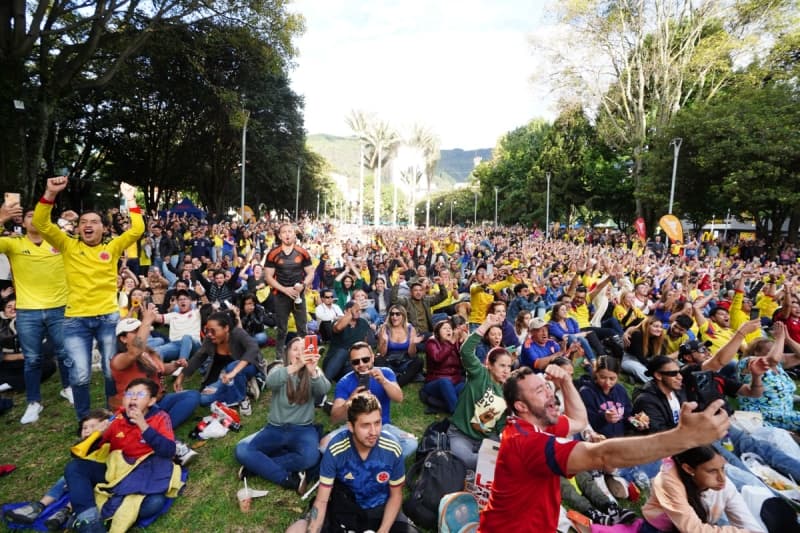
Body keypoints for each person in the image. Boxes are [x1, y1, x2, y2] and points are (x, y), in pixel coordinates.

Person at [478, 364, 731, 532]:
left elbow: (579, 421)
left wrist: (566, 381)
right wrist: (684, 438)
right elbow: (602, 455)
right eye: (538, 391)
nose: (549, 394)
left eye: (547, 386)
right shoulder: (525, 442)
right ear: (521, 406)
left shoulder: (536, 425)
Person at [33, 176, 144, 421]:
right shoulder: (67, 245)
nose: (88, 225)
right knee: (80, 375)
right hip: (75, 320)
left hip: (107, 317)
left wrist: (131, 200)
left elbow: (137, 229)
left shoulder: (112, 247)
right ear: (78, 227)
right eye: (84, 222)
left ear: (104, 228)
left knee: (108, 371)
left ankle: (112, 415)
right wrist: (50, 193)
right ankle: (85, 419)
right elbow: (41, 223)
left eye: (94, 221)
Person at [64, 378, 181, 533]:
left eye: (139, 394)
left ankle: (91, 516)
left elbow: (168, 451)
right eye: (129, 394)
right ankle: (90, 520)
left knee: (154, 503)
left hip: (144, 473)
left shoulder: (160, 417)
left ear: (151, 401)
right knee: (75, 468)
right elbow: (82, 454)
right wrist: (98, 434)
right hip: (116, 472)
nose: (132, 397)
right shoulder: (116, 420)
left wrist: (143, 425)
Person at [287, 393, 417, 533]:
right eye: (365, 425)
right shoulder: (336, 450)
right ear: (350, 426)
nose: (373, 432)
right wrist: (313, 529)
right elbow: (322, 500)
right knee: (296, 530)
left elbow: (396, 496)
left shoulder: (392, 449)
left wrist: (383, 530)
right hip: (345, 508)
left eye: (377, 423)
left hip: (381, 509)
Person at [0, 204, 71, 424]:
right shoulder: (14, 243)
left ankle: (67, 388)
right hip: (28, 312)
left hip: (59, 308)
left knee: (64, 354)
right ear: (22, 222)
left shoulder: (59, 241)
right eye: (30, 215)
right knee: (32, 359)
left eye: (40, 216)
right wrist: (2, 217)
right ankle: (34, 402)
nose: (35, 218)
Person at [235, 337, 330, 492]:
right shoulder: (279, 369)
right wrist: (297, 365)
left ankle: (257, 467)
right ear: (287, 353)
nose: (299, 353)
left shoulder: (313, 371)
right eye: (295, 349)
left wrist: (313, 372)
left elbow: (323, 389)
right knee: (242, 449)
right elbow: (271, 381)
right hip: (275, 428)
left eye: (303, 349)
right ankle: (287, 479)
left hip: (303, 429)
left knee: (310, 457)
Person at [4, 409, 113, 529]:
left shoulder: (108, 440)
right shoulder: (84, 446)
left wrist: (103, 431)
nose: (87, 430)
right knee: (72, 476)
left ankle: (62, 510)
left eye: (92, 426)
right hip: (85, 477)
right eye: (84, 427)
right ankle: (43, 506)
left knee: (80, 478)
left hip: (107, 476)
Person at [111, 308, 200, 433]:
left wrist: (175, 365)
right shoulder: (119, 359)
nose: (141, 333)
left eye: (140, 330)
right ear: (123, 339)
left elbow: (162, 370)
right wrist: (146, 322)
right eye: (135, 331)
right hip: (138, 407)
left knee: (193, 396)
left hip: (158, 400)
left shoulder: (149, 353)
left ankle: (159, 428)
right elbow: (134, 352)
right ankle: (153, 429)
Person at [641, 446, 765, 532]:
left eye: (722, 468)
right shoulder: (667, 483)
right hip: (661, 529)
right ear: (689, 469)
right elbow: (692, 529)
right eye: (712, 471)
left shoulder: (724, 485)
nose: (722, 478)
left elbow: (746, 521)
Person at [328, 342, 417, 460]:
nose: (361, 364)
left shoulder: (385, 373)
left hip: (382, 426)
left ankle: (365, 461)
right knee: (325, 445)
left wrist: (383, 381)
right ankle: (374, 460)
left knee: (410, 443)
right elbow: (335, 418)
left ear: (373, 358)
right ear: (351, 364)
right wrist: (350, 400)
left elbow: (399, 398)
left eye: (365, 359)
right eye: (356, 362)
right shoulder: (344, 382)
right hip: (355, 428)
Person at [448, 313, 513, 470]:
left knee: (506, 457)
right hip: (460, 434)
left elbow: (501, 425)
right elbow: (466, 352)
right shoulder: (480, 373)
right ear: (489, 365)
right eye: (502, 365)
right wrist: (486, 325)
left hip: (486, 437)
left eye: (509, 366)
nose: (506, 371)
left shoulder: (508, 391)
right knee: (469, 460)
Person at [175, 311, 265, 407]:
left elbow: (253, 348)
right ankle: (243, 388)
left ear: (226, 328)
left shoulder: (237, 333)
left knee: (231, 367)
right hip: (223, 375)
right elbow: (198, 357)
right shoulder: (210, 340)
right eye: (207, 330)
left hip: (247, 367)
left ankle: (241, 399)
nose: (209, 334)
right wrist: (181, 376)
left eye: (213, 331)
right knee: (204, 399)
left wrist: (234, 372)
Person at [264, 223, 314, 362]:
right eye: (284, 232)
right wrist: (284, 289)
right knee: (281, 329)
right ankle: (279, 358)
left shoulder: (302, 252)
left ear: (294, 234)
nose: (287, 234)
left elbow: (311, 272)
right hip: (281, 295)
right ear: (279, 236)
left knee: (302, 328)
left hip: (298, 294)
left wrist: (303, 285)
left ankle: (307, 357)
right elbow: (268, 276)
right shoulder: (273, 253)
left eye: (290, 231)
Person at [322, 300, 374, 382]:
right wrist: (351, 313)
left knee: (357, 364)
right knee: (343, 352)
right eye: (353, 309)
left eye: (358, 309)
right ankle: (325, 382)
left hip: (351, 363)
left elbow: (365, 343)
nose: (357, 311)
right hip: (334, 361)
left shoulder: (363, 323)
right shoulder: (338, 322)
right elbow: (338, 328)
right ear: (345, 311)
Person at [422, 318, 465, 414]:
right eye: (445, 328)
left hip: (455, 382)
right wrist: (450, 343)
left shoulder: (455, 343)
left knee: (466, 386)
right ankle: (457, 414)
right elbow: (437, 358)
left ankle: (441, 404)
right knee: (445, 382)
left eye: (450, 328)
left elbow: (464, 363)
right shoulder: (432, 342)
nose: (448, 330)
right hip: (436, 382)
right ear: (437, 332)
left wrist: (463, 342)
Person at [375, 305, 424, 387]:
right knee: (378, 360)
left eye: (398, 314)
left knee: (418, 361)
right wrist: (385, 341)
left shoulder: (410, 329)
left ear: (403, 316)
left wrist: (413, 343)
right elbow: (382, 354)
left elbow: (412, 354)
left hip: (405, 361)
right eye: (392, 314)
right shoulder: (384, 328)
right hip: (389, 362)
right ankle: (400, 379)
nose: (394, 317)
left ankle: (398, 383)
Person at [152, 289, 202, 362]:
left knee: (186, 337)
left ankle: (181, 362)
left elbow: (209, 309)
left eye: (185, 299)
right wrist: (149, 311)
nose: (182, 301)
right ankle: (159, 369)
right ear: (177, 303)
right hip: (176, 345)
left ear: (190, 301)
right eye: (180, 299)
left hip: (193, 344)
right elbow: (156, 317)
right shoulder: (172, 315)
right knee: (157, 351)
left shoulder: (197, 313)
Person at [621, 316, 667, 383]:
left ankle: (635, 378)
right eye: (656, 326)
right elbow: (640, 357)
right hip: (630, 360)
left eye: (661, 327)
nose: (659, 329)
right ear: (647, 326)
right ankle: (657, 385)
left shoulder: (659, 339)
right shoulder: (637, 334)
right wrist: (653, 369)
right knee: (643, 371)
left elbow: (660, 357)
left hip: (646, 361)